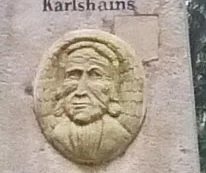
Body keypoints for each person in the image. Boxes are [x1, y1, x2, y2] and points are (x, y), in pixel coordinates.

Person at [37, 31, 143, 165]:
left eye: (95, 75)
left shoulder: (117, 135)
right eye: (73, 75)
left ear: (112, 87)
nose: (81, 91)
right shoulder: (58, 135)